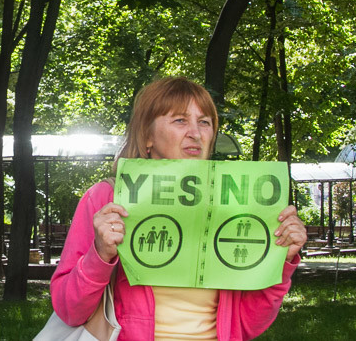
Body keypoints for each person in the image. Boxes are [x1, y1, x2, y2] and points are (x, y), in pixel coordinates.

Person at [50, 76, 306, 341]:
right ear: (147, 136)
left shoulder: (236, 205)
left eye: (204, 122)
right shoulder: (106, 199)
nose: (195, 133)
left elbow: (247, 326)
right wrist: (100, 255)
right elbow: (69, 311)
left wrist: (281, 261)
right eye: (180, 120)